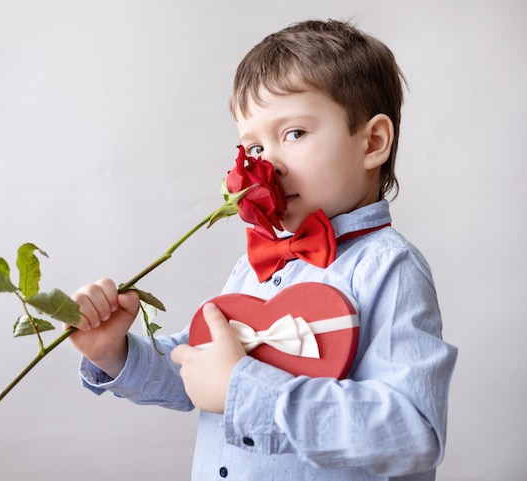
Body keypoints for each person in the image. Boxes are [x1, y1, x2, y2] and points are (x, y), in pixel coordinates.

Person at [68, 19, 458, 480]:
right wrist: (114, 352)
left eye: (293, 133)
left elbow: (412, 432)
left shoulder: (390, 269)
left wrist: (245, 390)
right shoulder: (256, 264)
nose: (267, 163)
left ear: (372, 142)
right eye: (252, 146)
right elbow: (203, 371)